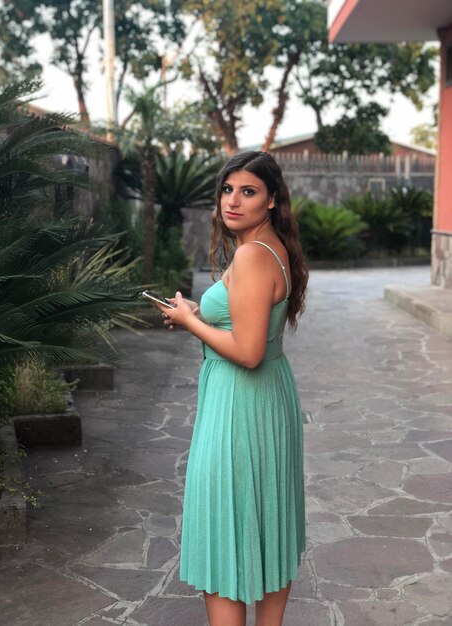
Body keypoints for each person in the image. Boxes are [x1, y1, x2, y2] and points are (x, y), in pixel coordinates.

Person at [157, 151, 308, 626]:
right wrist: (200, 317)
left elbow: (247, 351)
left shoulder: (250, 255)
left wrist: (188, 322)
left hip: (241, 403)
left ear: (271, 200)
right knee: (267, 523)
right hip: (267, 400)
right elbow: (253, 329)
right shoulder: (273, 249)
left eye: (249, 191)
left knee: (225, 527)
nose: (234, 201)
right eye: (227, 190)